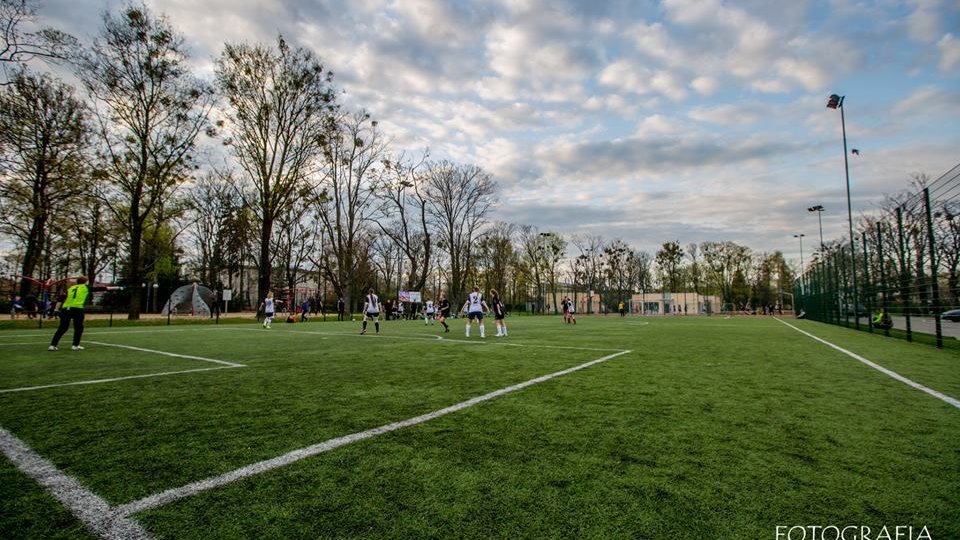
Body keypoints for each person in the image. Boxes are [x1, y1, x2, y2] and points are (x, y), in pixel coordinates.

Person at [48, 276, 94, 351]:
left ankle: (53, 345)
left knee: (62, 328)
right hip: (77, 309)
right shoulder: (85, 287)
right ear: (85, 282)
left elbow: (60, 299)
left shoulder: (70, 288)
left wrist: (56, 309)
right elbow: (103, 288)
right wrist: (118, 288)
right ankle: (75, 345)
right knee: (78, 327)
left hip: (66, 309)